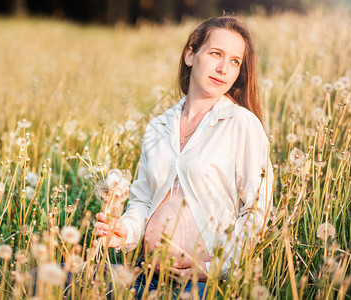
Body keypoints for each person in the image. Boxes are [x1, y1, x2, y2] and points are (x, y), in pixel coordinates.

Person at [95, 15, 274, 299]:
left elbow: (256, 211)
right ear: (191, 54)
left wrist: (214, 268)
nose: (223, 69)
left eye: (234, 62)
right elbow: (143, 200)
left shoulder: (242, 124)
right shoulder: (159, 126)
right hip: (144, 275)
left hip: (200, 285)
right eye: (216, 54)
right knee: (44, 280)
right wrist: (124, 231)